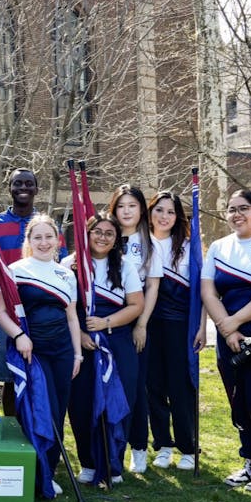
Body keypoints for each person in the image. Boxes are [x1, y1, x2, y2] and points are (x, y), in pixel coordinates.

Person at [0, 215, 82, 495]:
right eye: (37, 237)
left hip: (63, 352)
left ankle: (49, 469)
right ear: (29, 242)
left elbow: (72, 318)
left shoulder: (66, 274)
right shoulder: (15, 270)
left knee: (57, 411)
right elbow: (0, 312)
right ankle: (33, 468)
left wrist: (78, 354)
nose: (44, 243)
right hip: (33, 351)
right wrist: (19, 336)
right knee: (37, 410)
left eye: (49, 237)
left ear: (58, 240)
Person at [202, 189, 251, 493]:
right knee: (237, 400)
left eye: (244, 208)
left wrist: (235, 323)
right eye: (231, 209)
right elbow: (209, 291)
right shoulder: (220, 247)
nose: (237, 214)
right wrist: (227, 329)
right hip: (228, 335)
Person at [62, 213, 144, 484]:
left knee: (120, 400)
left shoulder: (125, 266)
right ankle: (87, 462)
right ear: (87, 233)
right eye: (97, 231)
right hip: (82, 343)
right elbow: (65, 309)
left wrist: (105, 322)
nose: (102, 237)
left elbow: (136, 306)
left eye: (109, 233)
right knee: (83, 402)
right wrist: (83, 334)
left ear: (116, 239)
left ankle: (113, 463)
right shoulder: (70, 265)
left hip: (117, 340)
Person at [146, 191, 206, 470]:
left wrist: (202, 326)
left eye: (170, 212)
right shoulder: (139, 242)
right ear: (150, 212)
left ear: (178, 216)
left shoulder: (187, 246)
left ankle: (188, 447)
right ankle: (163, 444)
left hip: (180, 324)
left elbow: (202, 291)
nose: (164, 216)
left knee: (180, 386)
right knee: (153, 385)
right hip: (147, 323)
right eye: (159, 210)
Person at [108, 184, 162, 474]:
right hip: (106, 317)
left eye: (132, 205)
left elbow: (152, 286)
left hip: (137, 319)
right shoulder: (105, 236)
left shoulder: (151, 242)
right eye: (121, 206)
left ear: (142, 209)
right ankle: (108, 444)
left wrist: (141, 324)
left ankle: (138, 446)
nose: (126, 211)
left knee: (135, 386)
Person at [0, 168, 40, 416]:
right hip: (7, 313)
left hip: (41, 311)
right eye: (17, 183)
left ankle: (39, 432)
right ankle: (12, 432)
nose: (23, 187)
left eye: (28, 183)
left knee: (39, 376)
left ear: (37, 189)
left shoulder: (44, 225)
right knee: (10, 377)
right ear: (9, 188)